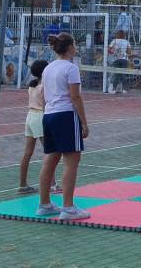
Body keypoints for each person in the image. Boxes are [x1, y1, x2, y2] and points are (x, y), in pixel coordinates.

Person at [36, 33, 90, 221]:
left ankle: (44, 204)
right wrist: (84, 122)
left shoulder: (48, 68)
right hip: (66, 115)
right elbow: (75, 96)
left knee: (49, 160)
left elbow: (43, 95)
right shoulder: (70, 68)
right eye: (74, 44)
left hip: (49, 115)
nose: (76, 48)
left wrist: (47, 114)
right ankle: (68, 208)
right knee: (71, 161)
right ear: (69, 47)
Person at [18, 60, 59, 194]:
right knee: (50, 151)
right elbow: (47, 104)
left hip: (30, 116)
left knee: (27, 153)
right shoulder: (44, 87)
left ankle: (23, 184)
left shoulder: (32, 86)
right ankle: (52, 185)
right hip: (40, 117)